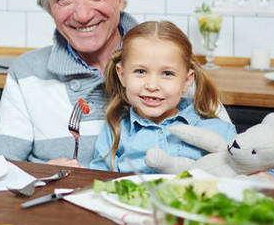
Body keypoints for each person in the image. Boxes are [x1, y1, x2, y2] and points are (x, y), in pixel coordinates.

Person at [0, 0, 136, 164]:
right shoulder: (26, 73)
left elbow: (215, 164)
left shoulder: (170, 61)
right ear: (49, 7)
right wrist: (40, 178)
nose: (83, 14)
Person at [89, 20, 234, 173]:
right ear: (122, 75)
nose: (152, 86)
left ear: (187, 81)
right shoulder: (115, 129)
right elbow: (97, 179)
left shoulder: (216, 130)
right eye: (140, 71)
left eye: (167, 73)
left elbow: (250, 167)